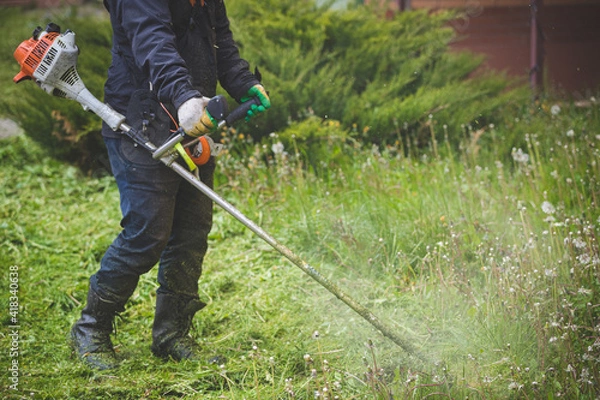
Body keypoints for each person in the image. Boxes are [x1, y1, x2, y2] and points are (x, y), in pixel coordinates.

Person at [70, 0, 270, 370]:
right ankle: (90, 327)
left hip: (192, 120)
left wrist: (244, 82)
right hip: (140, 119)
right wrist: (184, 97)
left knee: (192, 229)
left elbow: (218, 41)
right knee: (148, 231)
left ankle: (171, 334)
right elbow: (152, 41)